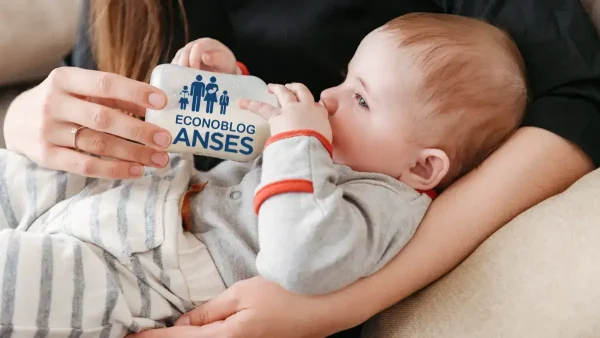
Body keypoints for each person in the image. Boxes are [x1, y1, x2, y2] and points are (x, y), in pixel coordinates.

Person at [3, 1, 599, 337]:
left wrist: (297, 140)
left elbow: (297, 253)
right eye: (342, 81)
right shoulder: (336, 146)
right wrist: (226, 83)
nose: (329, 99)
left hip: (155, 270)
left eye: (360, 98)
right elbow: (229, 144)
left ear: (422, 166)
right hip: (137, 198)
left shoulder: (382, 201)